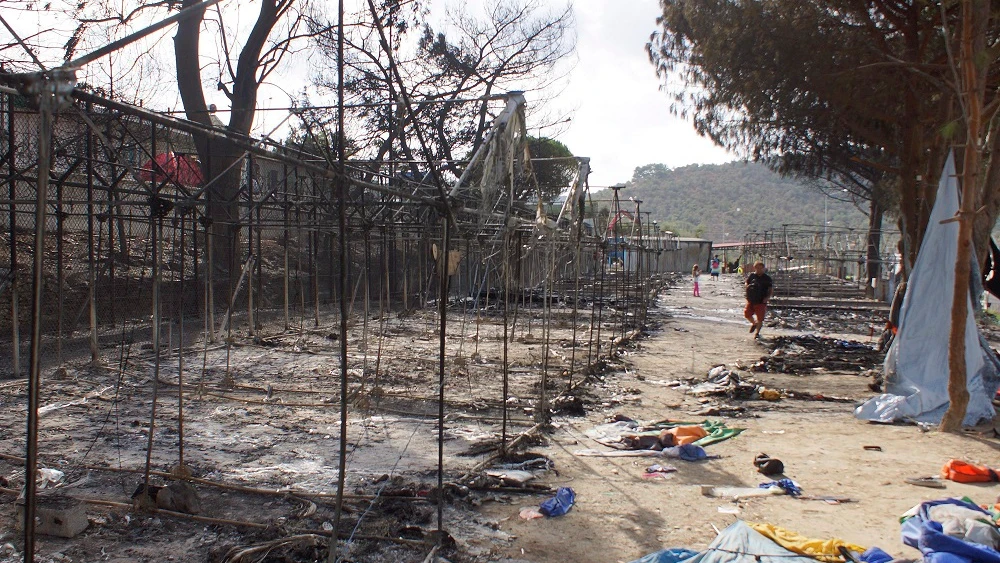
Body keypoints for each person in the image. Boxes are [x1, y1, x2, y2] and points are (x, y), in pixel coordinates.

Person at [744, 261, 773, 337]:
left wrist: (767, 298)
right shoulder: (752, 276)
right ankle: (754, 323)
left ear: (763, 268)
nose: (759, 269)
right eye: (757, 268)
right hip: (751, 299)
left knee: (760, 318)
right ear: (755, 268)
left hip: (761, 300)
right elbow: (746, 283)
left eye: (761, 268)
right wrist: (748, 287)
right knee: (747, 314)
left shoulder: (767, 278)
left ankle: (757, 333)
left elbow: (770, 289)